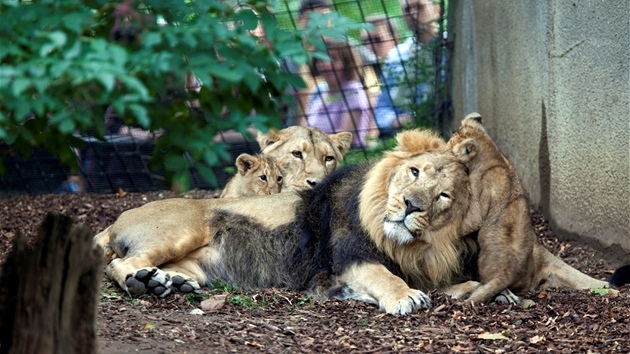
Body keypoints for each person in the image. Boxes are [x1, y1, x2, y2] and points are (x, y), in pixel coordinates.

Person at [372, 0, 440, 137]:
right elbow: (382, 109)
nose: (413, 13)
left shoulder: (448, 48)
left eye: (419, 6)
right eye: (407, 9)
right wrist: (394, 121)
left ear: (437, 10)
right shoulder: (395, 56)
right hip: (406, 136)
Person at [304, 39, 377, 148]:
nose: (326, 65)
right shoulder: (318, 91)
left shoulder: (353, 91)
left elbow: (345, 137)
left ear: (347, 63)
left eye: (333, 59)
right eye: (321, 59)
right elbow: (302, 126)